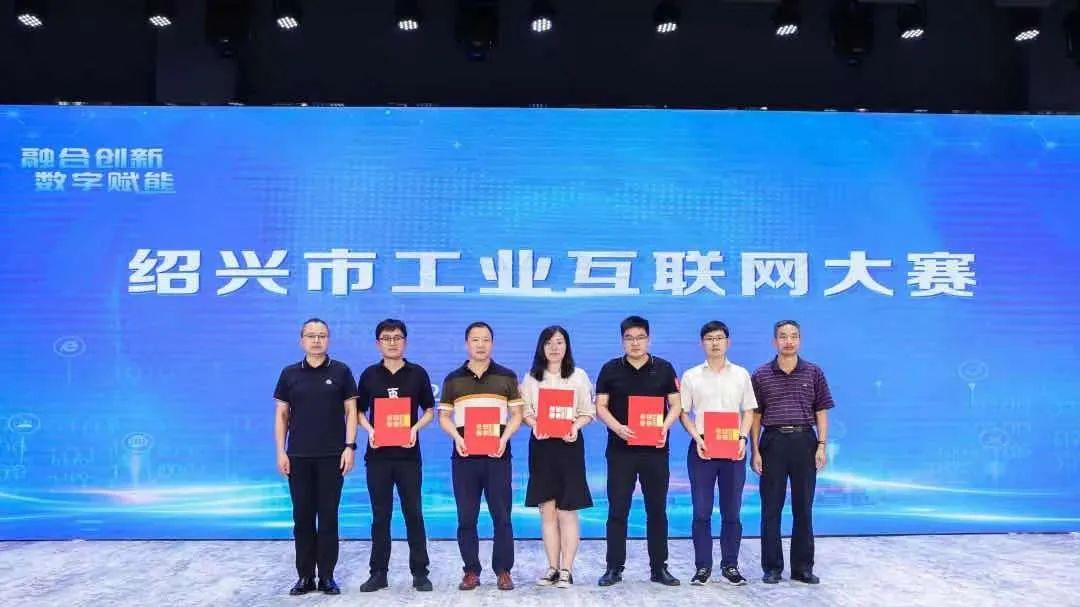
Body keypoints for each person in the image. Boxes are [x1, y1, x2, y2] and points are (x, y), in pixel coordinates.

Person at [594, 315, 682, 587]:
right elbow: (600, 406)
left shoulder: (664, 368)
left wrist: (664, 427)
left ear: (649, 339)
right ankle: (614, 568)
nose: (635, 343)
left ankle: (659, 568)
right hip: (621, 450)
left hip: (655, 450)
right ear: (622, 341)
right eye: (629, 338)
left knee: (656, 510)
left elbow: (676, 405)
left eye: (640, 337)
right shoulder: (610, 369)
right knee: (618, 510)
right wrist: (618, 428)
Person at [273, 318, 358, 596]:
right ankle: (305, 576)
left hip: (332, 456)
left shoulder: (341, 371)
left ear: (328, 339)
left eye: (322, 335)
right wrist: (281, 451)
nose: (316, 340)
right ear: (302, 340)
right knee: (303, 518)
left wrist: (350, 447)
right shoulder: (289, 374)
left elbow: (351, 412)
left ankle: (328, 576)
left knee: (329, 517)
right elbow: (281, 415)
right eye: (311, 335)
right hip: (298, 456)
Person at [438, 321, 524, 591]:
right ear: (467, 344)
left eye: (486, 339)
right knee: (466, 517)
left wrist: (504, 438)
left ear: (492, 343)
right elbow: (444, 416)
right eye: (475, 339)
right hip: (464, 456)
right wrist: (458, 438)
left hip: (498, 455)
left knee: (502, 516)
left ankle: (503, 571)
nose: (481, 344)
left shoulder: (507, 376)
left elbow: (517, 414)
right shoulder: (453, 379)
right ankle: (471, 571)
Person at [750, 320, 835, 585]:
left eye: (794, 336)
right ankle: (772, 568)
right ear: (774, 341)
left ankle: (802, 568)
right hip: (773, 442)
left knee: (803, 507)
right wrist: (755, 451)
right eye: (783, 336)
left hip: (804, 442)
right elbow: (755, 416)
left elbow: (821, 411)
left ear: (800, 340)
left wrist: (821, 445)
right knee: (771, 508)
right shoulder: (761, 374)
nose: (788, 341)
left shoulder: (814, 372)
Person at [354, 319, 434, 592]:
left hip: (408, 456)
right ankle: (378, 573)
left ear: (405, 342)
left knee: (414, 513)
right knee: (380, 516)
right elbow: (358, 411)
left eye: (397, 337)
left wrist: (414, 428)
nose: (392, 342)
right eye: (386, 338)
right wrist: (370, 430)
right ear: (378, 343)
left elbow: (430, 410)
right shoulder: (369, 375)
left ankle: (420, 572)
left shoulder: (417, 373)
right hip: (378, 456)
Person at [678, 321, 756, 586]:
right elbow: (683, 412)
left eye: (719, 338)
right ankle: (702, 567)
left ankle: (730, 565)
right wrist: (697, 437)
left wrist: (743, 438)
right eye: (710, 338)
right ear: (702, 343)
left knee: (731, 511)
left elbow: (749, 411)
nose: (715, 343)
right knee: (701, 511)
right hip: (703, 448)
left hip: (733, 447)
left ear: (728, 342)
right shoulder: (691, 376)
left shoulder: (741, 374)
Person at [520, 325, 595, 589]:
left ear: (567, 346)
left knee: (567, 511)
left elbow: (587, 412)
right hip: (542, 447)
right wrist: (535, 425)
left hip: (569, 446)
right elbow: (526, 412)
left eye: (560, 342)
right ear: (541, 347)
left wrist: (575, 427)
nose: (554, 347)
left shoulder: (578, 376)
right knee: (548, 511)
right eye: (549, 342)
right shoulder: (531, 378)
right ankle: (552, 567)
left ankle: (567, 570)